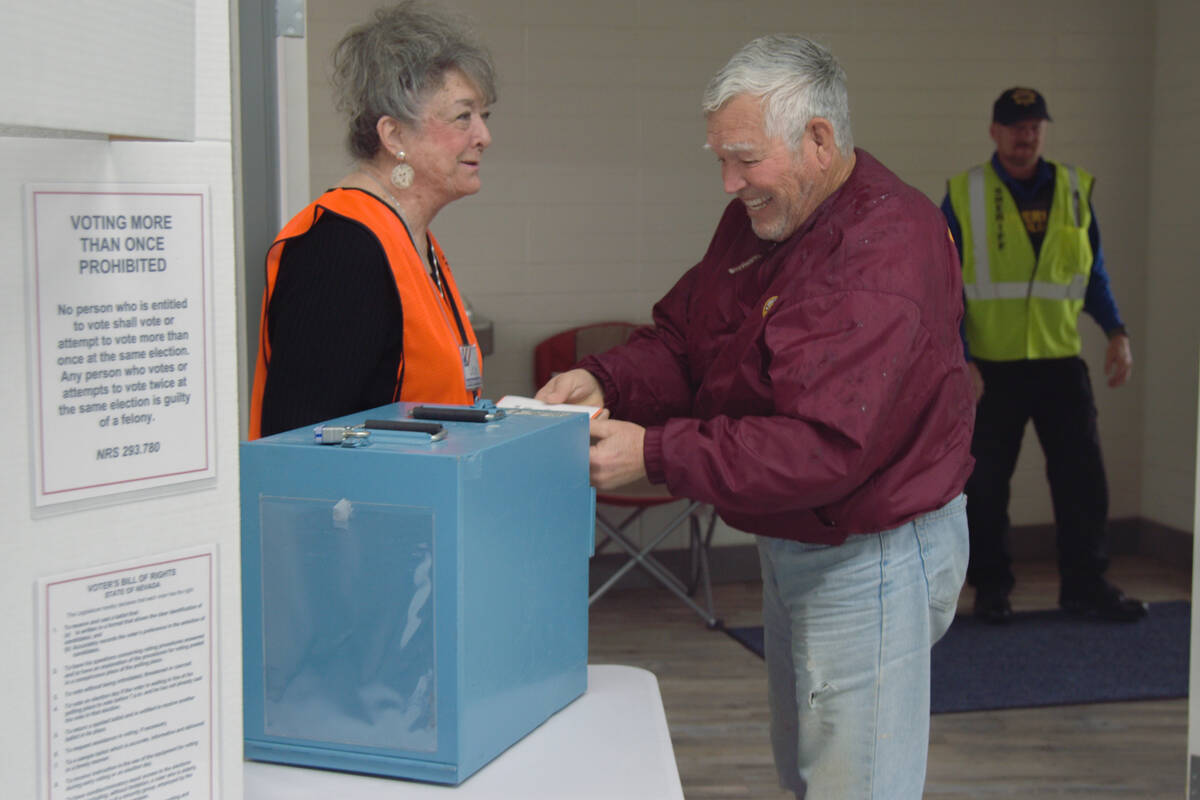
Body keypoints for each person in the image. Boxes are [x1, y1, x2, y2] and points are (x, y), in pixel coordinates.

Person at [537, 35, 974, 799]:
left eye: (743, 158)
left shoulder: (883, 248)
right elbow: (687, 338)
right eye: (720, 159)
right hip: (799, 532)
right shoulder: (766, 218)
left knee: (854, 785)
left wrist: (657, 454)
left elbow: (822, 446)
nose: (728, 182)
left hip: (868, 549)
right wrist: (597, 377)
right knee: (805, 767)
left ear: (819, 139)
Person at [941, 87, 1146, 624]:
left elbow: (1092, 271)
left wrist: (1117, 330)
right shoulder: (965, 194)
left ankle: (1085, 584)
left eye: (1034, 125)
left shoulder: (1075, 190)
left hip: (1059, 363)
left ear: (1044, 131)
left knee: (1083, 481)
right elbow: (944, 288)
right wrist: (962, 358)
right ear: (994, 132)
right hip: (992, 368)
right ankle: (991, 590)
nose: (1025, 135)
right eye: (1014, 126)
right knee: (985, 485)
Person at [249, 1, 494, 439]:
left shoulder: (412, 238)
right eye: (463, 116)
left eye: (483, 117)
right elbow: (304, 444)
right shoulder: (339, 248)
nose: (484, 137)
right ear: (394, 135)